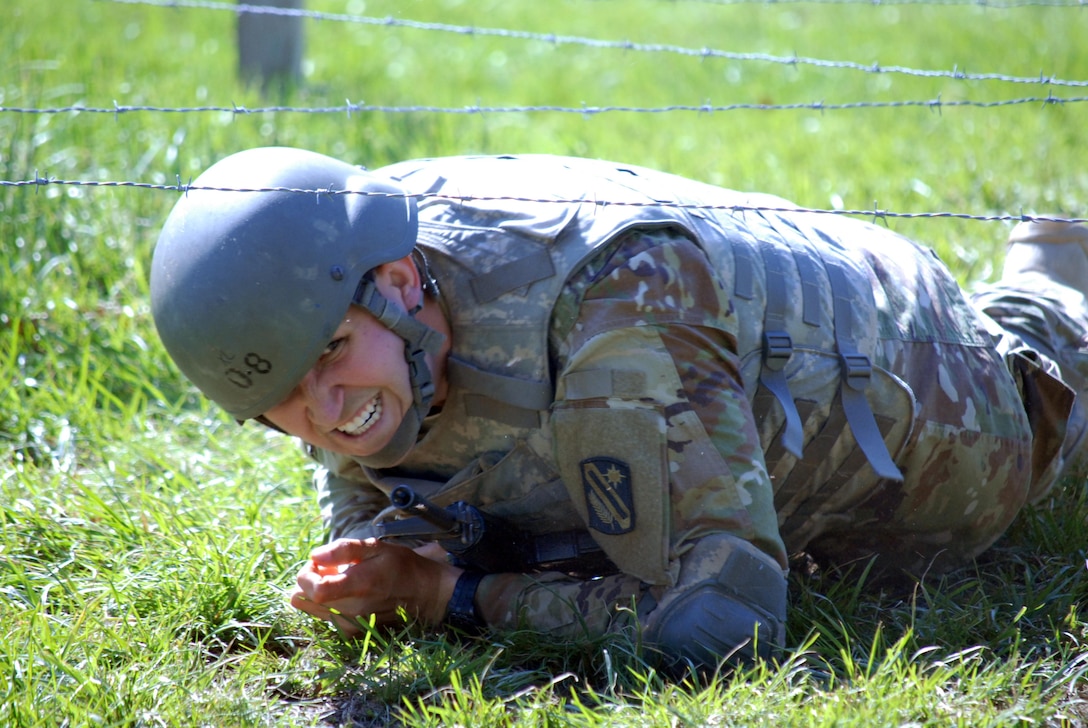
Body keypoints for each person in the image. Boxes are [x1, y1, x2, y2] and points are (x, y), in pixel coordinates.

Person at [149, 146, 1088, 674]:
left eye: (330, 358)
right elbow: (363, 463)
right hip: (767, 315)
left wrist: (451, 596)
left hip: (925, 389)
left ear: (399, 280)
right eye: (282, 407)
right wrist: (375, 551)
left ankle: (1052, 293)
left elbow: (724, 622)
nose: (326, 413)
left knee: (1047, 397)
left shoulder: (613, 310)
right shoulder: (343, 276)